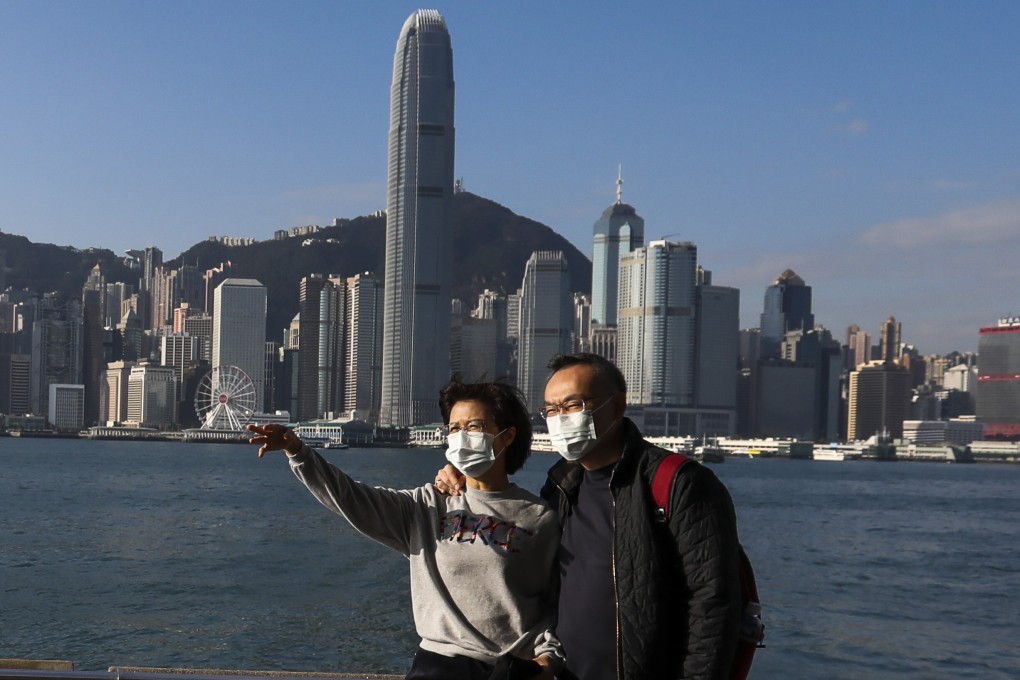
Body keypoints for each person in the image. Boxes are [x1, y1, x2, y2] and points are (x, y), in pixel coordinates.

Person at [436, 353, 742, 680]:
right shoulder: (561, 487)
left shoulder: (678, 483)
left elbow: (714, 605)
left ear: (618, 406)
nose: (560, 419)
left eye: (573, 406)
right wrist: (465, 476)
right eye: (551, 410)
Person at [247, 380, 564, 680]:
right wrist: (298, 452)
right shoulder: (426, 506)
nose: (462, 436)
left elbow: (552, 605)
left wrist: (546, 660)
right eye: (454, 428)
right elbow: (352, 499)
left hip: (512, 669)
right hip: (440, 666)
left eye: (474, 427)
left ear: (507, 436)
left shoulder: (539, 517)